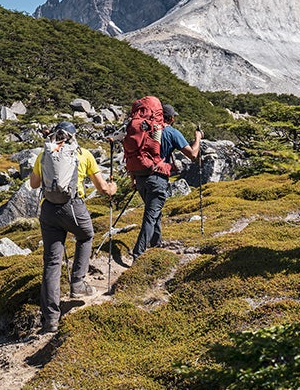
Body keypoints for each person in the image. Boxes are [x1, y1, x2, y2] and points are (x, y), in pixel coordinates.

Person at [29, 121, 116, 333]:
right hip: (73, 207)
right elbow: (103, 188)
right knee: (86, 236)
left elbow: (33, 184)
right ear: (73, 136)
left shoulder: (45, 154)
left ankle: (50, 319)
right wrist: (112, 188)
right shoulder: (83, 154)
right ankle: (77, 282)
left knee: (51, 263)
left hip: (49, 209)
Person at [131, 104, 202, 262]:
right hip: (158, 180)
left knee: (155, 212)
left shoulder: (145, 130)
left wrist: (133, 179)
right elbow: (192, 154)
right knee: (150, 216)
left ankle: (156, 244)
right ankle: (138, 254)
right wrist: (198, 138)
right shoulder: (171, 132)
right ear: (171, 118)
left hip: (141, 178)